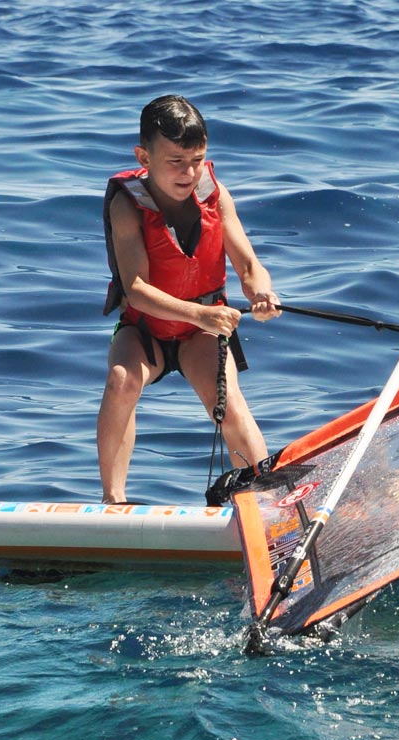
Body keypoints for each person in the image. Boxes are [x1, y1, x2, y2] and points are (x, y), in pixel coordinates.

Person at [96, 95, 280, 504]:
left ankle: (265, 503)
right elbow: (138, 290)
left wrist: (262, 292)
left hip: (201, 333)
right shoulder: (127, 205)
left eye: (197, 159)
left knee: (227, 401)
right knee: (121, 381)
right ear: (144, 156)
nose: (189, 172)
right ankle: (113, 502)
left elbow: (249, 266)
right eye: (175, 161)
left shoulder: (216, 194)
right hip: (147, 329)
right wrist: (200, 314)